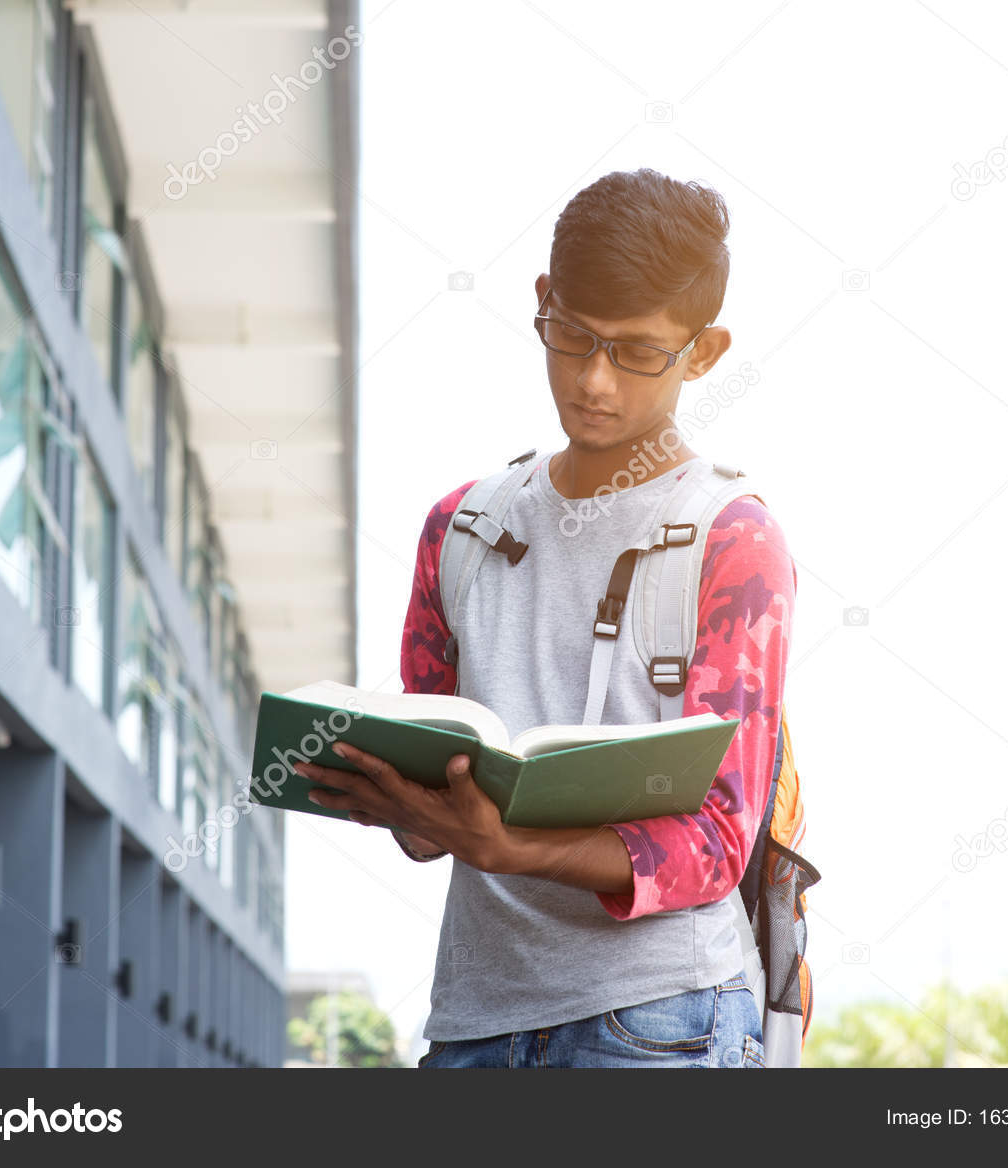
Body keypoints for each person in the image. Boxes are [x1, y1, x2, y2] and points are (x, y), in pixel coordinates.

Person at [293, 168, 796, 1068]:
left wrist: (510, 847)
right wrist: (398, 800)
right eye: (572, 335)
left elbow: (717, 840)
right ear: (543, 301)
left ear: (705, 352)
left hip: (660, 1024)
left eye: (638, 352)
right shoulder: (460, 528)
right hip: (472, 1022)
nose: (595, 380)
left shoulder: (734, 541)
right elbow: (429, 807)